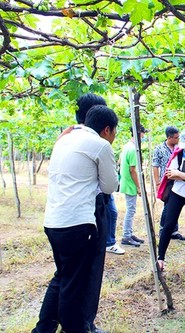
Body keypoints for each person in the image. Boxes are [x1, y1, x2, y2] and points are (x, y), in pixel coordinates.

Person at [32, 105, 119, 333]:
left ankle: (42, 329)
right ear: (107, 129)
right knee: (74, 284)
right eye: (114, 133)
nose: (113, 138)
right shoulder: (100, 145)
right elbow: (110, 185)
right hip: (78, 224)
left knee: (63, 276)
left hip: (53, 221)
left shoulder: (63, 139)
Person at [157, 128, 185, 274]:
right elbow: (170, 174)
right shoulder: (179, 153)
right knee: (168, 225)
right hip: (177, 193)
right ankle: (160, 258)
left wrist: (180, 174)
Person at [152, 126, 185, 240]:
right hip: (166, 182)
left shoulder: (180, 148)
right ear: (169, 137)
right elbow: (155, 166)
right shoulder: (159, 149)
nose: (178, 139)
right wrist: (157, 183)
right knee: (168, 206)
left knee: (175, 206)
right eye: (176, 137)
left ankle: (173, 230)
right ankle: (163, 228)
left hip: (178, 180)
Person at [119, 125, 147, 247]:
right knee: (131, 210)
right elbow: (132, 170)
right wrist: (138, 187)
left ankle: (129, 233)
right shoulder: (133, 149)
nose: (144, 135)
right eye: (143, 133)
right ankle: (126, 236)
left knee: (131, 210)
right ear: (139, 133)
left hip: (126, 182)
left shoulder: (127, 146)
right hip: (130, 184)